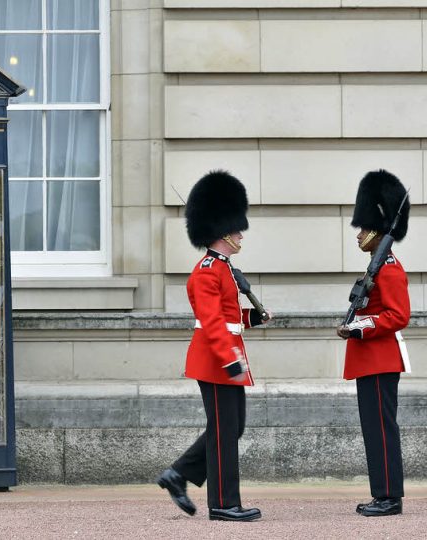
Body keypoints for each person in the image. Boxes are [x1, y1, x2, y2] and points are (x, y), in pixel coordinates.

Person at [157, 170, 271, 522]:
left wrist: (254, 318)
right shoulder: (207, 270)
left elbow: (229, 316)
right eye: (236, 229)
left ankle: (177, 474)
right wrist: (230, 360)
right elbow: (211, 322)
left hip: (226, 356)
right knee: (225, 431)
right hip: (217, 360)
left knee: (231, 429)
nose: (241, 233)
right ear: (222, 231)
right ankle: (223, 503)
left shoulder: (223, 268)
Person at [337, 169, 411, 517]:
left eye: (364, 228)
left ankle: (389, 497)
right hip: (371, 359)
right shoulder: (374, 268)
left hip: (381, 358)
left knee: (381, 430)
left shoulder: (390, 268)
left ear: (378, 230)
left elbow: (398, 316)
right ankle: (382, 493)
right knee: (374, 430)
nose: (359, 235)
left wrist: (359, 327)